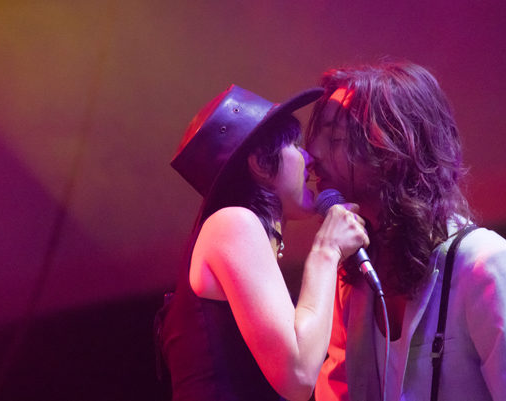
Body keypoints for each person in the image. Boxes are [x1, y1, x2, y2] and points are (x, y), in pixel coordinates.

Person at [306, 61, 506, 401]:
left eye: (336, 138)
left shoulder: (489, 268)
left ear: (394, 151)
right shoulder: (354, 274)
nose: (313, 153)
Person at [158, 84, 369, 401]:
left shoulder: (235, 229)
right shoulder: (233, 222)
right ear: (259, 162)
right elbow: (298, 376)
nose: (309, 158)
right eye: (295, 145)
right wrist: (327, 251)